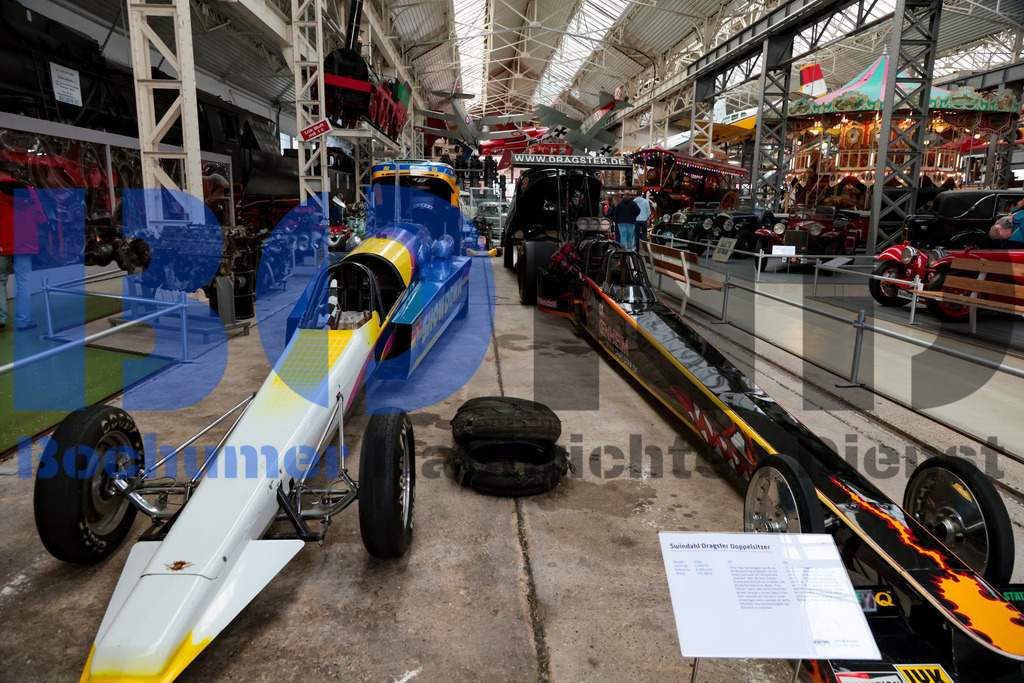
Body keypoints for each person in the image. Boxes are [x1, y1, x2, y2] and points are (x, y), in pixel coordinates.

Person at [0, 165, 45, 331]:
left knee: (0, 280)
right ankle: (24, 321)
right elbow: (40, 218)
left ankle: (1, 318)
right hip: (25, 244)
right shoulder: (30, 191)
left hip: (2, 244)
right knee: (23, 282)